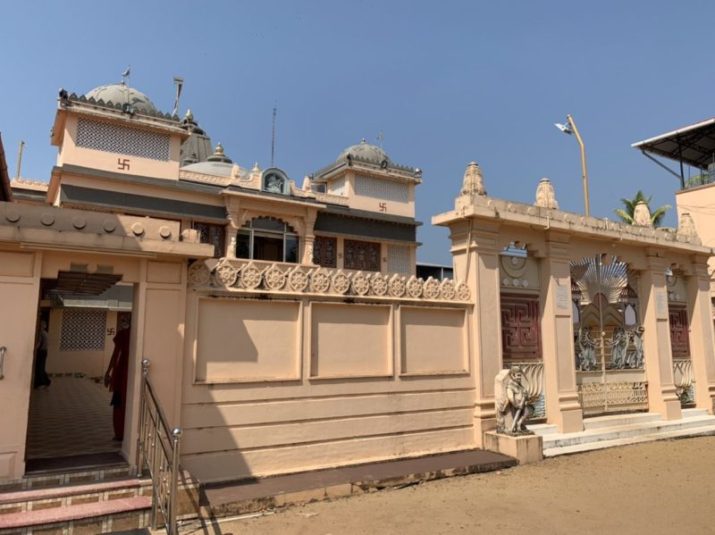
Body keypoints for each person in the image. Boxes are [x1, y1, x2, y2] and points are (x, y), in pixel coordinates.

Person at [105, 317, 130, 441]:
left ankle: (120, 433)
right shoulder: (127, 334)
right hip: (126, 372)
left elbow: (116, 354)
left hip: (122, 373)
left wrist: (108, 372)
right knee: (122, 401)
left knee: (119, 402)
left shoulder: (124, 334)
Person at [34, 319, 51, 389]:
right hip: (44, 352)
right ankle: (46, 381)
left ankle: (42, 383)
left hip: (41, 352)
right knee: (41, 367)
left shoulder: (41, 333)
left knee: (39, 368)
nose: (41, 326)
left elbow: (39, 343)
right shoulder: (46, 333)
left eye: (42, 324)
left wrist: (34, 349)